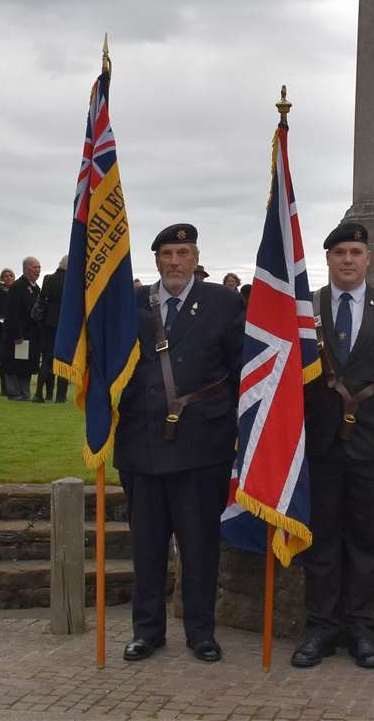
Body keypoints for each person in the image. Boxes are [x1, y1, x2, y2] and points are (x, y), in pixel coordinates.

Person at [292, 223, 374, 671]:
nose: (347, 260)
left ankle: (361, 627)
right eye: (339, 253)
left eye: (355, 252)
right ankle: (321, 627)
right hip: (321, 443)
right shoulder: (305, 308)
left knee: (369, 540)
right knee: (323, 538)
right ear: (327, 259)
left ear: (368, 259)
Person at [118, 224, 244, 664]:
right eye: (167, 253)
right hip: (141, 443)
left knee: (199, 545)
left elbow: (239, 370)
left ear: (195, 258)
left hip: (201, 446)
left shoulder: (224, 303)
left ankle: (201, 632)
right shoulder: (130, 302)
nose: (174, 262)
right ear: (156, 259)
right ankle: (146, 632)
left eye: (183, 253)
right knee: (147, 547)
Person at [0, 257, 41, 401]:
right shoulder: (17, 287)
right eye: (35, 267)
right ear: (26, 268)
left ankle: (25, 393)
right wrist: (16, 334)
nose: (38, 270)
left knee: (26, 365)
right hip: (18, 334)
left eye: (39, 267)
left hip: (31, 334)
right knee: (13, 365)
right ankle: (14, 393)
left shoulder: (36, 288)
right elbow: (12, 313)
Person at [34, 255, 68, 404]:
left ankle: (39, 394)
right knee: (64, 360)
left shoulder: (48, 279)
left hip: (49, 324)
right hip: (66, 324)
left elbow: (42, 299)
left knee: (47, 360)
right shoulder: (72, 280)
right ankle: (60, 396)